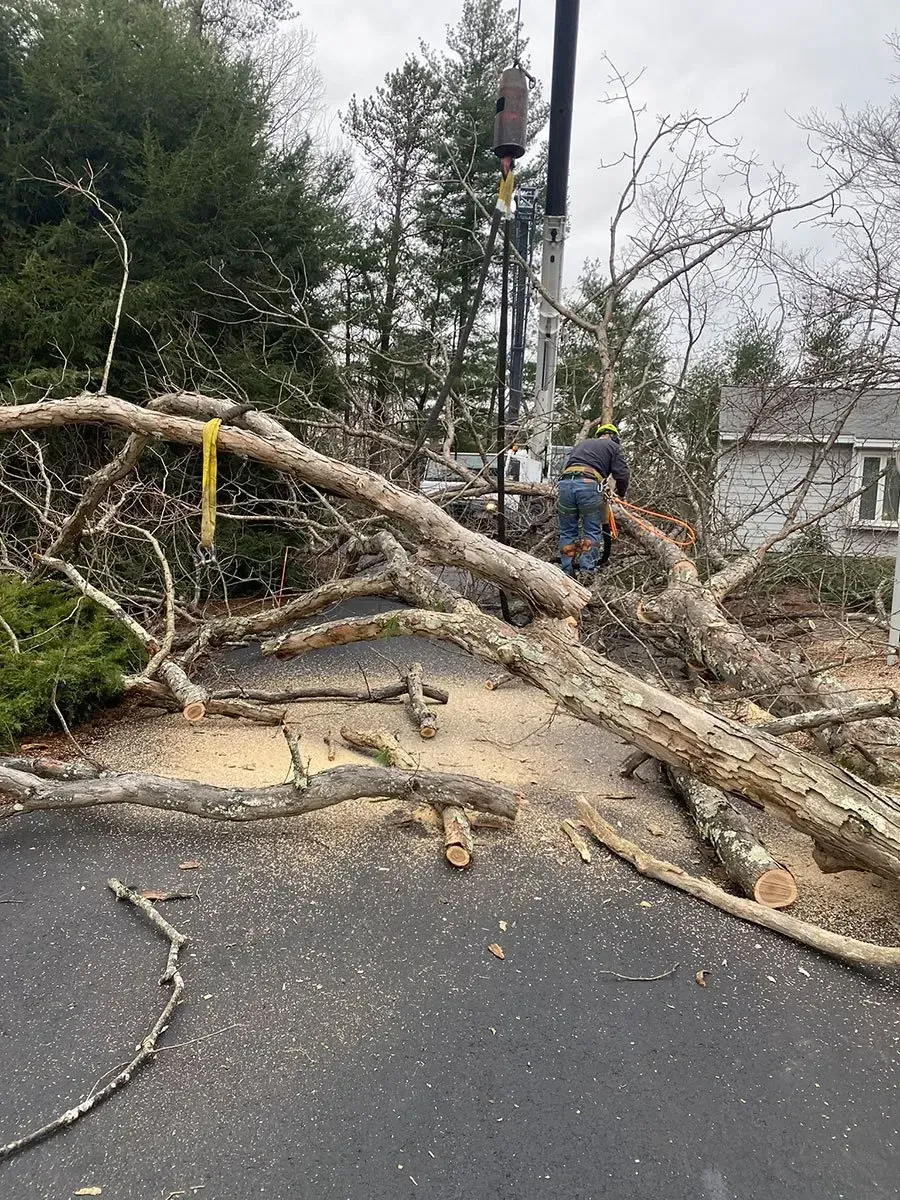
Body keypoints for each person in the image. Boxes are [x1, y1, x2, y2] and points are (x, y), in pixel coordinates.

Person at [557, 424, 630, 578]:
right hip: (588, 485)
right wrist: (621, 494)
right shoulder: (613, 446)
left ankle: (566, 572)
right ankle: (586, 571)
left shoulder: (581, 445)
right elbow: (622, 474)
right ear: (614, 436)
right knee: (591, 530)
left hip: (564, 485)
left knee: (567, 531)